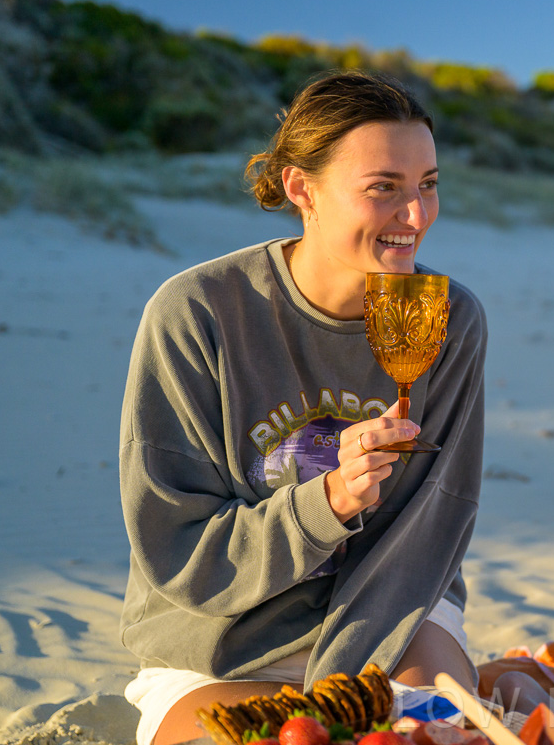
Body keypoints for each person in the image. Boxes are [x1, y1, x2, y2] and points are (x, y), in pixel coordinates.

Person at [118, 72, 487, 745]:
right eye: (383, 187)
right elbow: (177, 548)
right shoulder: (199, 313)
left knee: (432, 736)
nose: (416, 216)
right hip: (221, 640)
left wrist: (351, 687)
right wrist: (331, 501)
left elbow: (433, 523)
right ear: (301, 189)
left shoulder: (450, 318)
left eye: (428, 184)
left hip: (394, 619)